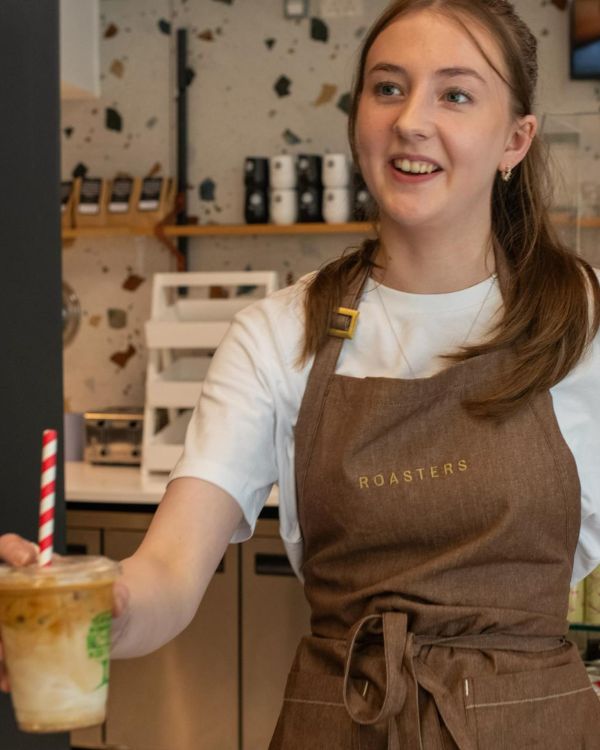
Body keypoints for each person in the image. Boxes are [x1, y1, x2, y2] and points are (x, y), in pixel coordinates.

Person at [3, 0, 600, 746]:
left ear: (515, 140)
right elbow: (168, 571)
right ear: (357, 121)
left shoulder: (583, 320)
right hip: (342, 725)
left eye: (455, 93)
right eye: (387, 88)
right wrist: (99, 606)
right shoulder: (278, 334)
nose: (411, 119)